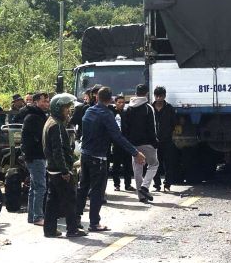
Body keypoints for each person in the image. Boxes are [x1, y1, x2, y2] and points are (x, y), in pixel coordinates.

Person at [78, 87, 145, 231]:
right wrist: (135, 152)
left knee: (83, 187)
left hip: (85, 155)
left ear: (96, 98)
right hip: (98, 157)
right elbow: (117, 136)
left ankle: (75, 220)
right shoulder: (107, 114)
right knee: (97, 191)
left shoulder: (89, 111)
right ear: (110, 100)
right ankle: (94, 223)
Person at [42, 93, 82, 238]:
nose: (68, 111)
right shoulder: (57, 126)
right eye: (66, 108)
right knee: (69, 200)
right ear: (59, 108)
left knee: (52, 202)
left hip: (52, 169)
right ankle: (72, 229)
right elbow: (58, 150)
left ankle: (50, 230)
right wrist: (65, 170)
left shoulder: (50, 122)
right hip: (59, 170)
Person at [121, 84, 159, 203]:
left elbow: (124, 128)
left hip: (133, 144)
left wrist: (128, 143)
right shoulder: (148, 108)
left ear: (135, 93)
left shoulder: (128, 108)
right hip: (147, 142)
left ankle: (141, 197)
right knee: (153, 164)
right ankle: (145, 187)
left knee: (138, 168)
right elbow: (152, 127)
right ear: (147, 93)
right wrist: (155, 142)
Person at [22, 91, 50, 226]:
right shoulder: (33, 117)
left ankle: (32, 216)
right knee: (40, 187)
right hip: (35, 157)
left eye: (47, 101)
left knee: (34, 187)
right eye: (44, 101)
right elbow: (39, 139)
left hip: (35, 156)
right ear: (36, 102)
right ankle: (38, 217)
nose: (46, 104)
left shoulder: (39, 116)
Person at [152, 87, 178, 193]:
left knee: (168, 163)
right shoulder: (150, 108)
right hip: (154, 140)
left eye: (160, 96)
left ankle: (167, 184)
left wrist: (169, 132)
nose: (158, 98)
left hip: (167, 140)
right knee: (154, 163)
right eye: (157, 96)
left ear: (164, 96)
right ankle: (156, 184)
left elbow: (174, 123)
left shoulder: (170, 108)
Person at [110, 95, 134, 191]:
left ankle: (127, 184)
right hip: (116, 142)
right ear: (115, 103)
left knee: (127, 164)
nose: (121, 104)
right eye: (119, 102)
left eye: (123, 102)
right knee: (116, 164)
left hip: (126, 141)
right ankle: (117, 184)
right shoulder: (111, 113)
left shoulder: (126, 113)